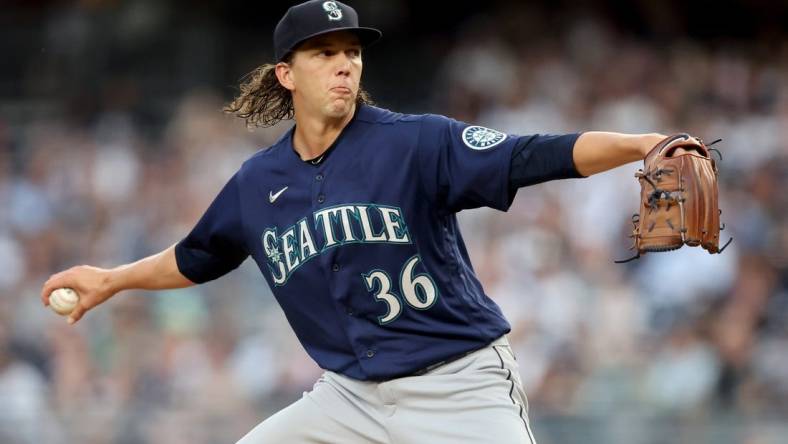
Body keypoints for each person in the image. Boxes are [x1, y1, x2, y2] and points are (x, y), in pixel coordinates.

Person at [41, 1, 669, 442]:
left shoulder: (416, 142)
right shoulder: (258, 183)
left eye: (351, 51)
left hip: (457, 386)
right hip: (347, 399)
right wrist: (112, 280)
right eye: (324, 53)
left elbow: (532, 155)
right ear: (286, 75)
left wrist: (641, 144)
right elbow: (195, 257)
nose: (345, 63)